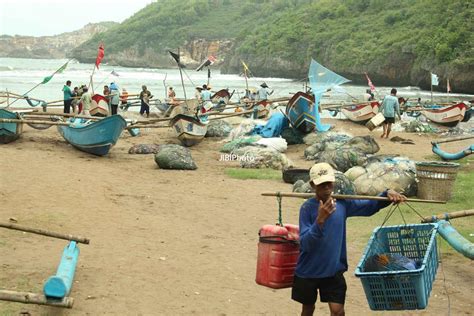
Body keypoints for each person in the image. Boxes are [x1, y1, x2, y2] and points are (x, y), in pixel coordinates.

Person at [292, 162, 406, 316]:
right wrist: (320, 220)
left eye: (329, 182)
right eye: (321, 184)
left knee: (338, 311)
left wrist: (387, 194)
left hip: (333, 270)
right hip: (308, 270)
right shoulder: (306, 208)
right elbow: (305, 243)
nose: (326, 187)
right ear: (313, 185)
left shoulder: (342, 204)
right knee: (308, 309)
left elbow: (369, 206)